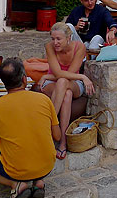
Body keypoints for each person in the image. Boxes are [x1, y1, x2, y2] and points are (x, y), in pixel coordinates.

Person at [0, 57, 60, 198]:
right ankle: (38, 182)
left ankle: (16, 184)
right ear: (24, 79)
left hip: (17, 169)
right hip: (47, 165)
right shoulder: (44, 99)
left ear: (3, 83)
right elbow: (57, 136)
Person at [39, 22, 92, 159]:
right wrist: (82, 76)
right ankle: (63, 142)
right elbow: (57, 73)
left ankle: (49, 124)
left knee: (64, 83)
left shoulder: (79, 47)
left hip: (73, 82)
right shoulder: (49, 47)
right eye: (53, 39)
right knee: (66, 94)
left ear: (69, 38)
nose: (55, 42)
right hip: (55, 82)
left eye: (59, 39)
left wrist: (47, 76)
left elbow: (69, 74)